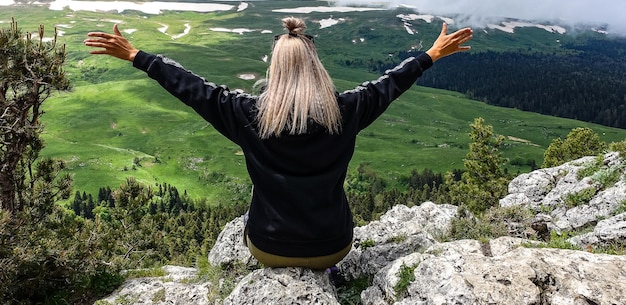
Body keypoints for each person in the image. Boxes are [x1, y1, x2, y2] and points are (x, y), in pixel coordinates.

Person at [84, 16, 472, 270]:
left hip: (269, 247)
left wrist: (137, 56)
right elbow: (389, 84)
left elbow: (192, 88)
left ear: (275, 67)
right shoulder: (347, 111)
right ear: (316, 66)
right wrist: (431, 54)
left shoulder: (247, 114)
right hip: (334, 246)